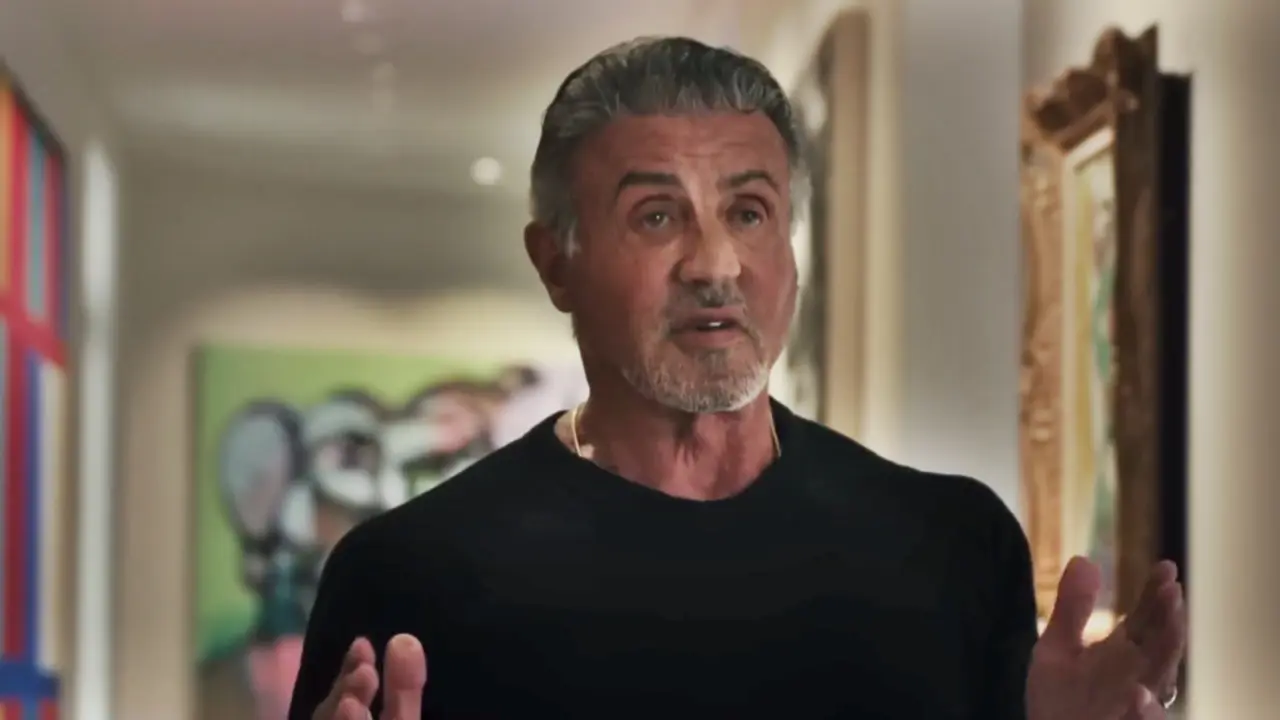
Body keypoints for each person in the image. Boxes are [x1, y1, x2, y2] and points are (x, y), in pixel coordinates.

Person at [287, 36, 1186, 719]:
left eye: (749, 212)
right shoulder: (409, 577)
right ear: (556, 262)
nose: (714, 264)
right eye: (656, 216)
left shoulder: (955, 548)